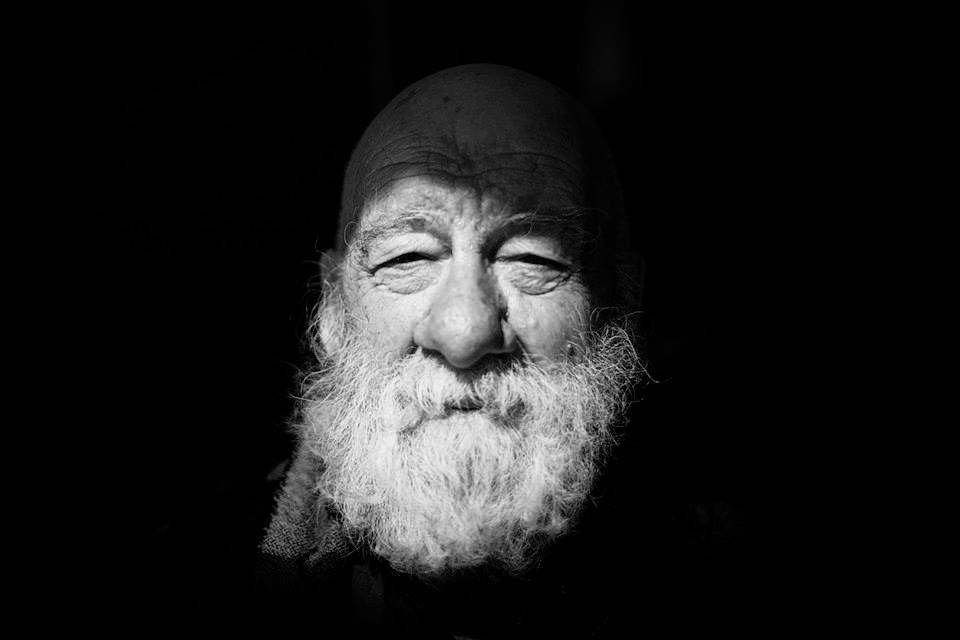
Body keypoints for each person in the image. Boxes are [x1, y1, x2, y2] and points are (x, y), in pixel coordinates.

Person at [249, 64, 735, 638]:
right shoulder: (190, 583)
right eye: (406, 258)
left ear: (622, 303)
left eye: (534, 258)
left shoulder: (734, 583)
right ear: (333, 311)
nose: (464, 335)